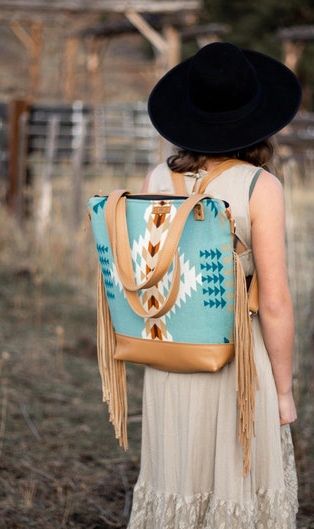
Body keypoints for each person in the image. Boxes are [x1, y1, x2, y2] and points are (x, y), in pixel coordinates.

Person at [127, 42, 301, 528]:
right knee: (233, 485)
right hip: (236, 363)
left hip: (170, 358)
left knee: (177, 480)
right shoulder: (259, 188)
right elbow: (275, 301)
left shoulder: (158, 177)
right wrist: (283, 390)